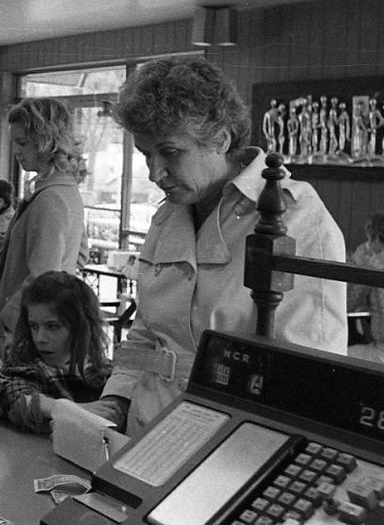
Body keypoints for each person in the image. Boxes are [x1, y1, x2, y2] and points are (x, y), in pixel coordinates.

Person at [82, 56, 347, 438]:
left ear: (220, 139)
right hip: (144, 433)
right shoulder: (168, 217)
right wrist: (116, 402)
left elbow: (308, 378)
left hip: (232, 443)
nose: (155, 173)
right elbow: (146, 333)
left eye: (170, 152)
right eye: (145, 154)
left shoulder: (298, 220)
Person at [0, 98, 89, 355]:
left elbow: (42, 279)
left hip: (24, 333)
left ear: (46, 141)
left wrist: (5, 320)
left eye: (22, 142)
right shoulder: (64, 191)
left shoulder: (50, 199)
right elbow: (81, 255)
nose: (16, 151)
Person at [0, 272, 110, 434]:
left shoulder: (104, 372)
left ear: (80, 328)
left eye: (53, 326)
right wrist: (68, 410)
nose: (40, 338)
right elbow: (3, 393)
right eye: (33, 326)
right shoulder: (30, 369)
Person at [346, 212, 384, 364]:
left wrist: (359, 265)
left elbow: (348, 303)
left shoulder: (373, 265)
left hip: (382, 352)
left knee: (335, 355)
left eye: (368, 239)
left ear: (375, 238)